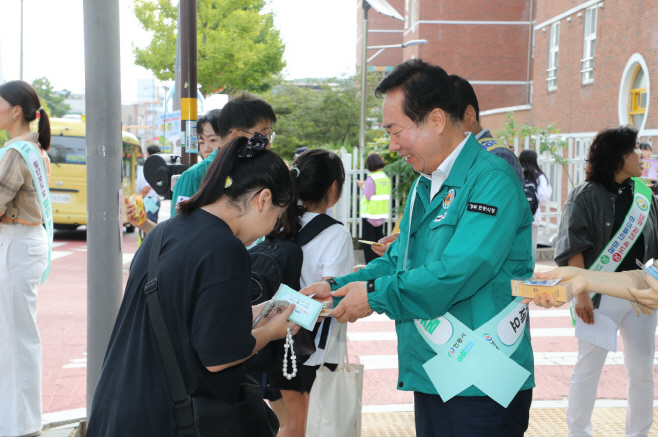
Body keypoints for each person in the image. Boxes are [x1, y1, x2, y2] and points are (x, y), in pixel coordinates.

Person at [302, 59, 535, 437]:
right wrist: (337, 286)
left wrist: (373, 297)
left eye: (396, 130)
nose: (393, 146)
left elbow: (460, 270)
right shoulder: (425, 185)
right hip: (433, 370)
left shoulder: (492, 180)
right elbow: (399, 261)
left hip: (482, 379)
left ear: (437, 120)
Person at [86, 134, 299, 436]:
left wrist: (254, 311)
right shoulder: (226, 248)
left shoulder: (163, 233)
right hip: (168, 418)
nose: (269, 231)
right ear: (263, 199)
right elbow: (221, 356)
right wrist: (273, 331)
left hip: (118, 407)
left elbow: (182, 316)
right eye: (276, 217)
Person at [554, 125, 658, 437]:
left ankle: (639, 433)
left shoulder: (645, 195)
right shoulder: (585, 195)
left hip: (640, 294)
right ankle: (579, 432)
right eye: (636, 148)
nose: (642, 155)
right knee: (588, 370)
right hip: (599, 295)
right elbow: (574, 245)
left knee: (641, 372)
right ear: (618, 156)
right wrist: (581, 295)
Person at [371, 73, 526, 258]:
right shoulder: (436, 168)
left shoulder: (496, 161)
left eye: (453, 121)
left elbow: (478, 246)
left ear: (468, 114)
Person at [270, 149, 353, 437]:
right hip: (311, 350)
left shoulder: (279, 222)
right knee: (302, 427)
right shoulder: (335, 234)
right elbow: (333, 294)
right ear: (333, 186)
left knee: (287, 423)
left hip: (273, 337)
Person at [0, 80, 52, 437]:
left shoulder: (17, 153)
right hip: (25, 242)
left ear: (16, 111)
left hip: (17, 243)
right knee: (16, 336)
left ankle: (22, 425)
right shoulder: (34, 150)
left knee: (17, 339)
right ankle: (17, 421)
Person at [171, 93, 276, 215]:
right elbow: (179, 229)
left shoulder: (261, 171)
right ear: (237, 135)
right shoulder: (194, 176)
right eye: (263, 136)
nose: (267, 144)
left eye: (269, 136)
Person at [357, 153, 390, 263]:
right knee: (379, 243)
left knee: (369, 245)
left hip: (370, 214)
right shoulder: (385, 178)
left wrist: (362, 186)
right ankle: (380, 266)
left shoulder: (372, 178)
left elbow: (368, 195)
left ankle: (370, 267)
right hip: (381, 215)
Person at [519, 149, 552, 249]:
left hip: (516, 217)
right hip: (532, 217)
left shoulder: (516, 173)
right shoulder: (538, 176)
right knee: (530, 249)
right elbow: (544, 196)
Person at [137, 145, 161, 224]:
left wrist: (138, 199)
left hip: (149, 202)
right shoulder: (158, 166)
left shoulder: (151, 167)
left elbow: (147, 188)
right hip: (155, 200)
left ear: (148, 154)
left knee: (148, 225)